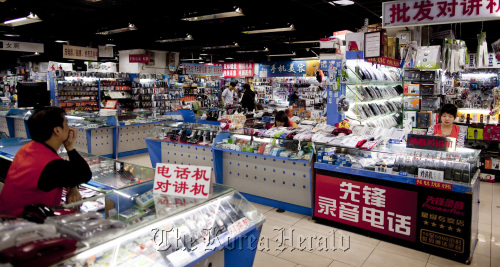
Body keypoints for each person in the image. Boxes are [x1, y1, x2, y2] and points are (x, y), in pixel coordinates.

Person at [0, 107, 92, 216]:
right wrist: (70, 147)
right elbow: (84, 174)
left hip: (10, 218)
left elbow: (68, 174)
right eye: (66, 124)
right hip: (25, 225)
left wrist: (72, 186)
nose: (70, 128)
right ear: (57, 130)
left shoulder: (27, 149)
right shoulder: (51, 165)